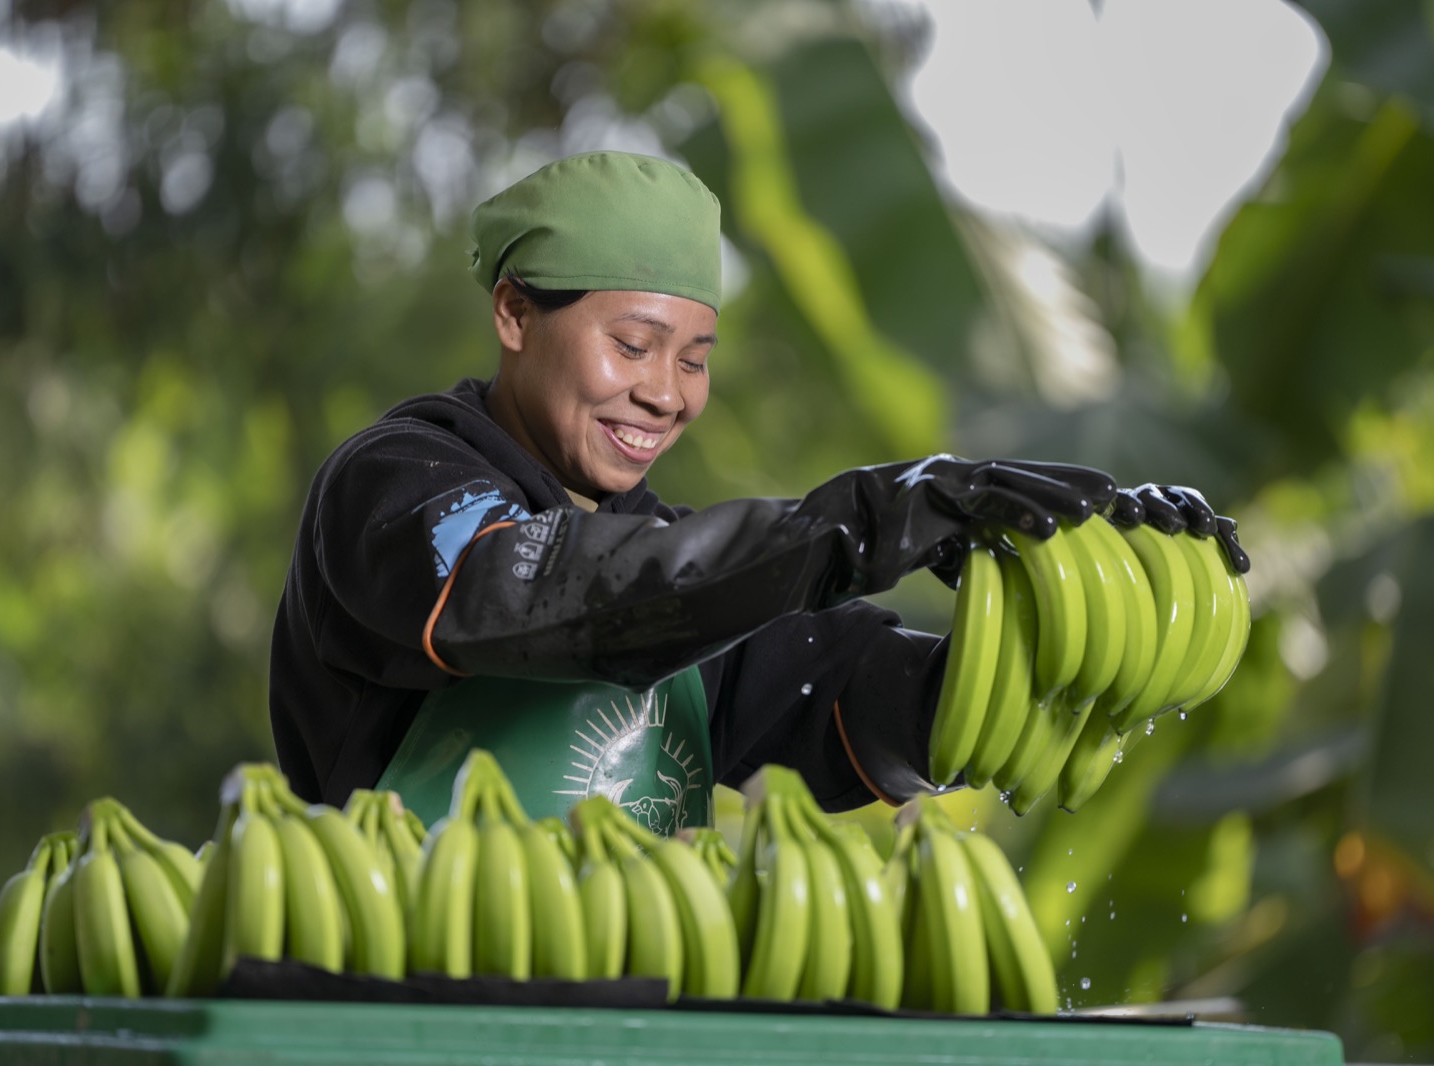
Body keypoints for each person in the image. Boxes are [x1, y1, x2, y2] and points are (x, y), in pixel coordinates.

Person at [267, 150, 1247, 834]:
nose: (665, 392)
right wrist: (860, 522)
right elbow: (543, 591)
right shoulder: (400, 484)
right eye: (632, 345)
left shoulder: (676, 582)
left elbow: (835, 693)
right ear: (514, 313)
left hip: (639, 1019)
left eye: (694, 357)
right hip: (401, 1009)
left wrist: (1080, 606)